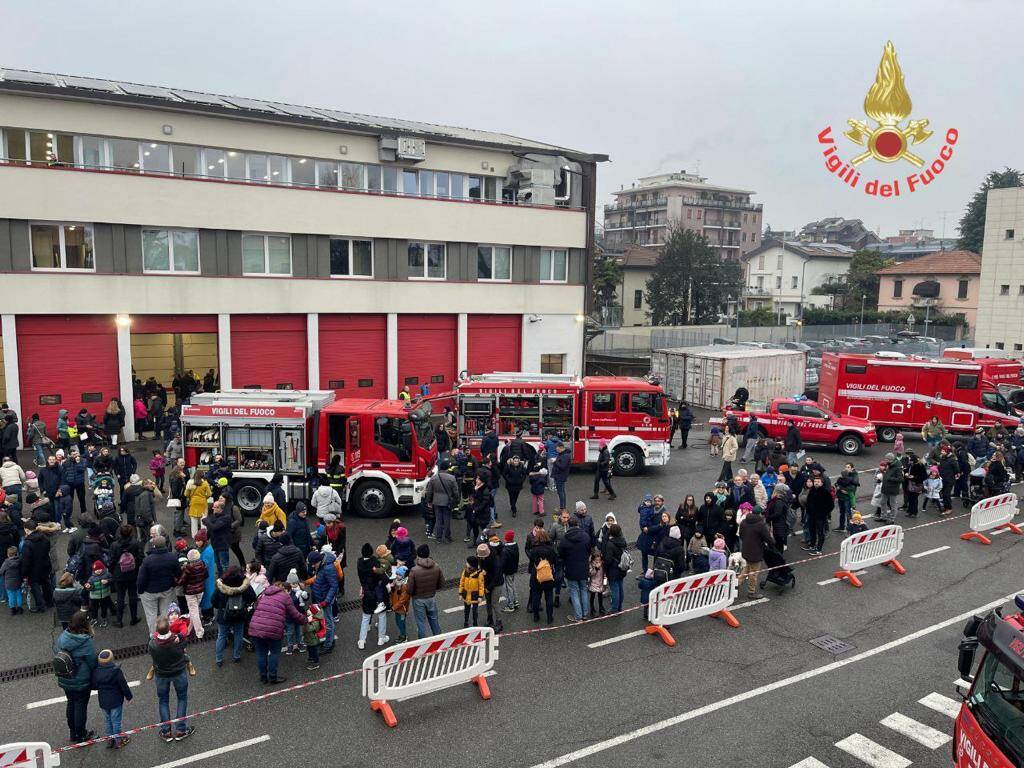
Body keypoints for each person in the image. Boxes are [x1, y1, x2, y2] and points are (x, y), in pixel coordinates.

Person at [249, 578, 307, 684]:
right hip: (273, 629)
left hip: (256, 628)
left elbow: (256, 607)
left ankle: (263, 677)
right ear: (283, 589)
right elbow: (294, 614)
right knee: (274, 653)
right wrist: (305, 620)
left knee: (261, 654)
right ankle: (272, 677)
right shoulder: (285, 597)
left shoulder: (264, 594)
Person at [148, 616, 194, 741]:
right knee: (182, 698)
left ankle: (166, 731)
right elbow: (185, 639)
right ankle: (180, 730)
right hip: (179, 673)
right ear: (169, 627)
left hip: (161, 675)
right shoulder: (177, 641)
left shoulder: (152, 644)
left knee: (163, 700)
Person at [55, 610, 98, 743]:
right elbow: (93, 662)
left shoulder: (63, 636)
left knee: (71, 703)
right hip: (81, 681)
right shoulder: (85, 641)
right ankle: (81, 734)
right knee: (80, 706)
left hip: (65, 677)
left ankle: (73, 732)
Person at [137, 535, 182, 634]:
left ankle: (154, 636)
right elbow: (178, 573)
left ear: (153, 546)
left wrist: (140, 591)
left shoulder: (147, 561)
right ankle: (166, 633)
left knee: (151, 615)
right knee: (165, 613)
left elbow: (141, 578)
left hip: (149, 592)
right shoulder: (172, 557)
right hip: (166, 589)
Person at [212, 565, 254, 666]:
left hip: (224, 615)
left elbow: (213, 601)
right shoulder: (245, 586)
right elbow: (252, 597)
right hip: (240, 615)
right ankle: (236, 656)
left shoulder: (221, 586)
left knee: (221, 636)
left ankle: (219, 658)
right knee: (238, 634)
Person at [93, 648, 133, 749]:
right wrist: (129, 696)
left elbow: (94, 685)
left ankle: (110, 739)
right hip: (115, 701)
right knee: (116, 721)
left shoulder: (96, 671)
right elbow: (123, 685)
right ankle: (119, 741)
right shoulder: (116, 671)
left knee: (108, 720)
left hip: (103, 701)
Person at [557, 516, 591, 623]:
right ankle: (585, 614)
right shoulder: (585, 536)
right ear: (577, 525)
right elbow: (589, 550)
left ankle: (578, 616)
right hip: (583, 567)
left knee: (574, 592)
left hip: (571, 568)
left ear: (569, 526)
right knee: (584, 590)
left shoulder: (565, 539)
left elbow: (561, 554)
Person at [356, 544, 388, 649]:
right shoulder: (374, 561)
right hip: (378, 592)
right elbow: (382, 575)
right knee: (382, 615)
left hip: (367, 591)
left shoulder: (359, 562)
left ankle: (362, 640)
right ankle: (381, 638)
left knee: (366, 616)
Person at [407, 544, 443, 638]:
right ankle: (439, 639)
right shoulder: (436, 566)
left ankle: (422, 644)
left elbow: (409, 589)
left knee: (421, 623)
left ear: (418, 556)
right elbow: (441, 584)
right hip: (431, 598)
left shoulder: (414, 570)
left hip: (418, 599)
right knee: (434, 620)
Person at [738, 506, 772, 598]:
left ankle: (736, 583)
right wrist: (773, 543)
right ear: (760, 514)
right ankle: (751, 592)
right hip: (756, 553)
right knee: (754, 573)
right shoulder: (760, 524)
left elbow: (741, 535)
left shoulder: (744, 522)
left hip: (746, 550)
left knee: (747, 568)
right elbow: (768, 538)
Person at [21, 518, 53, 612]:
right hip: (45, 565)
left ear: (27, 529)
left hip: (33, 570)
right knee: (46, 584)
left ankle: (41, 606)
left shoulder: (27, 543)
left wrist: (24, 573)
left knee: (35, 588)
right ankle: (49, 602)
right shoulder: (44, 537)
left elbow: (26, 561)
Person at [425, 462, 460, 543]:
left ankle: (438, 538)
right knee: (447, 519)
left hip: (436, 501)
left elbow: (429, 491)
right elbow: (456, 491)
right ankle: (447, 537)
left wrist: (429, 501)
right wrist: (456, 500)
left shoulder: (434, 478)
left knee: (438, 519)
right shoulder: (451, 478)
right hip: (447, 501)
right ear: (448, 468)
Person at [178, 548, 208, 639]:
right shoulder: (203, 564)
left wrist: (175, 579)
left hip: (190, 593)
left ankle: (199, 632)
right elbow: (206, 575)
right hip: (200, 590)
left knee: (194, 611)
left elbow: (181, 581)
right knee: (194, 610)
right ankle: (189, 628)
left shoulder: (188, 568)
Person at [804, 476, 834, 556]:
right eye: (815, 481)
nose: (816, 483)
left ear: (821, 483)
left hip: (820, 517)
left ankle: (819, 549)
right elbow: (808, 502)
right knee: (812, 531)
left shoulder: (825, 492)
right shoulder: (812, 490)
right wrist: (808, 510)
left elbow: (831, 505)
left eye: (818, 481)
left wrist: (823, 514)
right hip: (811, 515)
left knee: (820, 533)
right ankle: (812, 545)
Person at [458, 554, 486, 628]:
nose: (466, 564)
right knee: (466, 610)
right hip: (466, 595)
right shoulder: (465, 571)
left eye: (468, 562)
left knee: (474, 611)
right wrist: (460, 593)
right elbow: (462, 582)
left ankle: (475, 623)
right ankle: (466, 622)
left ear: (472, 565)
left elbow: (481, 586)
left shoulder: (479, 574)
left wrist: (480, 596)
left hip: (475, 596)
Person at [184, 470, 211, 538]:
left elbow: (186, 494)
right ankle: (203, 536)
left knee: (194, 520)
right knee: (203, 520)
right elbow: (209, 494)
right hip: (203, 502)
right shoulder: (205, 483)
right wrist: (205, 497)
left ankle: (195, 536)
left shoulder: (190, 483)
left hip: (193, 502)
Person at [501, 529, 520, 613]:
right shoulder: (515, 546)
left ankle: (510, 605)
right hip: (513, 569)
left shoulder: (505, 550)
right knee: (512, 585)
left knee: (508, 588)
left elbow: (503, 562)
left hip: (507, 571)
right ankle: (515, 601)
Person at [551, 441, 571, 510]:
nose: (556, 450)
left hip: (560, 476)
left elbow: (562, 466)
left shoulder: (565, 455)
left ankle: (562, 508)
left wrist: (555, 462)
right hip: (559, 475)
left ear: (561, 447)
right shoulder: (563, 454)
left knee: (560, 492)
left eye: (557, 448)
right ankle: (563, 507)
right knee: (561, 492)